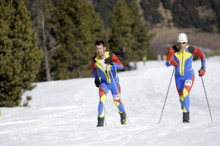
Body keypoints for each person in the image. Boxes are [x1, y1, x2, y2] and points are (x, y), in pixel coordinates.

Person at [166, 33, 206, 123]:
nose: (181, 45)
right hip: (178, 78)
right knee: (182, 99)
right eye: (179, 43)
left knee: (185, 92)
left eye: (183, 43)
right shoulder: (173, 49)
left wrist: (203, 68)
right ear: (177, 42)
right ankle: (184, 106)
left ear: (186, 42)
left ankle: (186, 117)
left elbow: (202, 55)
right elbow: (167, 63)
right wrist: (171, 62)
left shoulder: (191, 49)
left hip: (189, 75)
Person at [91, 40, 127, 127]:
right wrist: (96, 79)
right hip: (104, 83)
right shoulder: (94, 60)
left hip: (114, 82)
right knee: (102, 100)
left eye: (100, 48)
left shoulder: (111, 56)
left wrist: (112, 63)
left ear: (104, 48)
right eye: (97, 49)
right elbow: (94, 71)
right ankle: (100, 122)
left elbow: (121, 66)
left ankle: (122, 114)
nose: (99, 50)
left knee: (117, 102)